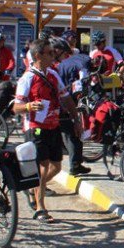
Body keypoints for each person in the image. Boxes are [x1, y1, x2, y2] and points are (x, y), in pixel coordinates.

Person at [12, 38, 83, 223]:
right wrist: (28, 106)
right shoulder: (27, 78)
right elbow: (16, 107)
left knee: (56, 167)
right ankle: (40, 208)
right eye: (49, 53)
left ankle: (33, 188)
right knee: (43, 167)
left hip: (53, 125)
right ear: (38, 56)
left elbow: (66, 98)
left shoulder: (52, 74)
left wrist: (76, 119)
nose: (54, 56)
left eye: (53, 52)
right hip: (35, 128)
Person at [53, 37, 92, 176]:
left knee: (73, 134)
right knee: (71, 134)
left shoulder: (59, 66)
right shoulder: (58, 66)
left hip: (62, 105)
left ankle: (76, 164)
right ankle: (75, 165)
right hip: (61, 106)